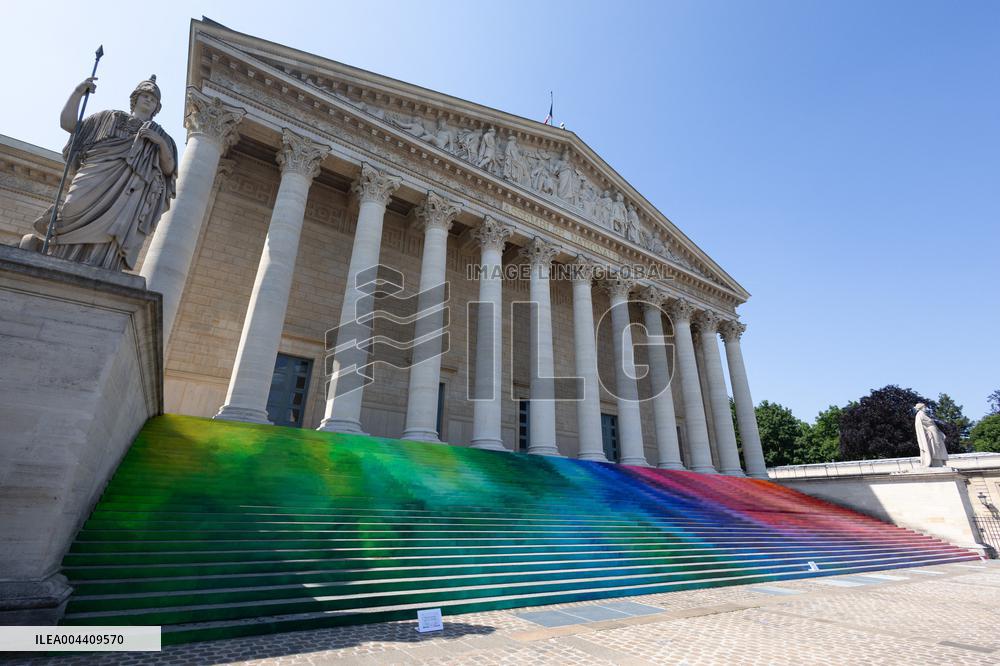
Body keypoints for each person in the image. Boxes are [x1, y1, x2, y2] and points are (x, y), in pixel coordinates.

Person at [25, 75, 177, 271]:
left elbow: (169, 169)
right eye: (145, 95)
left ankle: (100, 267)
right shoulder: (108, 117)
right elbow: (69, 125)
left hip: (128, 193)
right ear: (135, 98)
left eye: (153, 99)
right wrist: (78, 93)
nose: (149, 99)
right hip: (94, 176)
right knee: (71, 209)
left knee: (111, 233)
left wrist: (161, 143)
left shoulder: (162, 136)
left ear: (157, 107)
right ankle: (57, 256)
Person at [914, 403, 949, 467]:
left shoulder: (923, 414)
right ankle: (935, 462)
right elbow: (920, 426)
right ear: (921, 408)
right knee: (934, 446)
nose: (926, 408)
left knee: (937, 446)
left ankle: (938, 462)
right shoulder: (920, 415)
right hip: (931, 432)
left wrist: (940, 432)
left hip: (934, 432)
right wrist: (927, 431)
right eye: (924, 407)